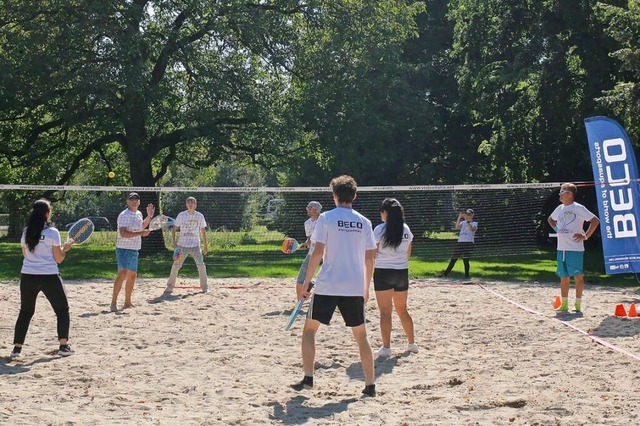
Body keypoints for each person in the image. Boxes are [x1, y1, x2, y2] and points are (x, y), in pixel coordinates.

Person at [291, 175, 378, 397]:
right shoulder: (365, 222)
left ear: (335, 196)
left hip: (328, 285)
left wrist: (304, 284)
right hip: (354, 286)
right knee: (361, 337)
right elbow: (370, 259)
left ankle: (308, 378)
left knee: (309, 331)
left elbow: (318, 252)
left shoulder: (326, 218)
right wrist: (366, 288)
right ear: (355, 195)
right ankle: (370, 385)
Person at [11, 199, 75, 358]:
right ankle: (63, 346)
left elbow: (25, 254)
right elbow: (58, 258)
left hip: (28, 275)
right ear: (47, 213)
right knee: (62, 310)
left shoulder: (26, 231)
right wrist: (65, 249)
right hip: (49, 276)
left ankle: (17, 349)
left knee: (25, 312)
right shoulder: (53, 232)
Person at [373, 198, 418, 357]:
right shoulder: (406, 229)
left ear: (386, 212)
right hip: (401, 272)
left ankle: (386, 348)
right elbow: (409, 253)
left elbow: (373, 252)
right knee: (403, 310)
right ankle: (412, 344)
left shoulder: (379, 229)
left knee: (385, 312)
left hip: (384, 272)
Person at [547, 183, 600, 312]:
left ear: (570, 194)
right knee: (563, 277)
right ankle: (564, 304)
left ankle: (578, 304)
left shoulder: (579, 208)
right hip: (562, 248)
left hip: (575, 249)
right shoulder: (559, 209)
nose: (560, 194)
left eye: (562, 191)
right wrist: (557, 229)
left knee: (577, 276)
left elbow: (595, 221)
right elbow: (550, 219)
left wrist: (585, 236)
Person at [110, 192, 155, 312]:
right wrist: (141, 233)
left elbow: (141, 226)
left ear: (139, 202)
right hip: (123, 248)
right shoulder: (124, 215)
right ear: (127, 202)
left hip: (134, 248)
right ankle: (113, 303)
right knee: (122, 273)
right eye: (132, 199)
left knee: (132, 276)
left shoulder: (139, 214)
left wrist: (149, 217)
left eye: (136, 199)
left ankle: (127, 302)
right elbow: (123, 234)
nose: (134, 201)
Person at [163, 196, 209, 295]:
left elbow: (203, 231)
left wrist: (205, 246)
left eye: (192, 202)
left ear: (196, 205)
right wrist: (174, 242)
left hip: (195, 245)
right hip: (182, 245)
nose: (190, 204)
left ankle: (205, 287)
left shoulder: (200, 216)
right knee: (176, 265)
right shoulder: (181, 215)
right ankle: (169, 286)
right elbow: (174, 229)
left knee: (201, 266)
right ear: (186, 204)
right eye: (189, 202)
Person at [294, 201, 322, 300]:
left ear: (316, 210)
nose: (308, 210)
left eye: (310, 208)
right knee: (301, 276)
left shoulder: (325, 220)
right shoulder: (307, 223)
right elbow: (310, 240)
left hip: (328, 253)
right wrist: (303, 245)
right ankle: (299, 300)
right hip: (313, 253)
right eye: (308, 208)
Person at [440, 208, 477, 279]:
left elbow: (472, 230)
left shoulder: (474, 223)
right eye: (467, 214)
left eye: (469, 214)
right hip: (460, 242)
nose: (468, 216)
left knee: (465, 259)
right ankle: (445, 274)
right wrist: (459, 217)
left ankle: (467, 276)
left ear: (472, 215)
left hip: (469, 243)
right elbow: (457, 227)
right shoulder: (463, 223)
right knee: (454, 258)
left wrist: (468, 222)